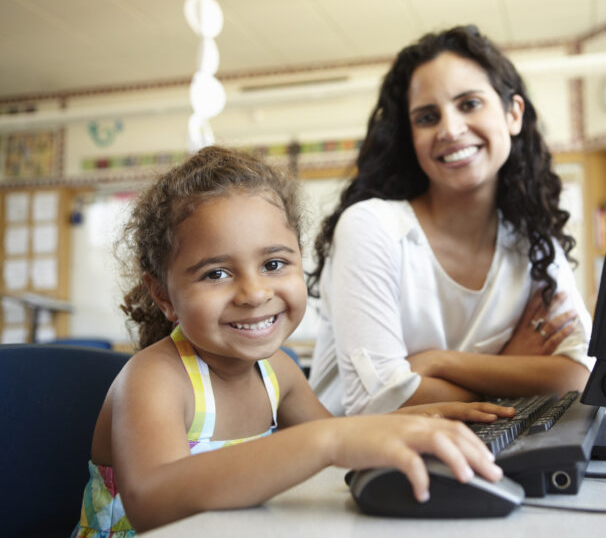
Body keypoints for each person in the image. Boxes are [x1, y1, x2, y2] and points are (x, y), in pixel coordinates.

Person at [74, 146, 513, 536]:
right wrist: (329, 443)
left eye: (274, 263)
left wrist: (416, 421)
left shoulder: (277, 371)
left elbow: (340, 438)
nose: (255, 293)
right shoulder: (154, 378)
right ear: (164, 296)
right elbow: (152, 504)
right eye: (216, 273)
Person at [307, 25, 595, 417]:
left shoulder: (534, 242)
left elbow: (579, 375)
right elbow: (376, 401)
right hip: (349, 468)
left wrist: (441, 362)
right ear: (410, 138)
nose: (450, 129)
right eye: (427, 117)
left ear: (513, 114)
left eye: (469, 104)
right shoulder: (372, 227)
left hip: (469, 452)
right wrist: (515, 366)